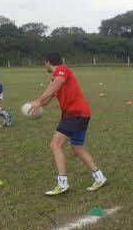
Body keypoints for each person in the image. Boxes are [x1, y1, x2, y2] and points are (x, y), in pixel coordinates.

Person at [29, 53, 107, 195]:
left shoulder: (62, 70)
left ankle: (62, 184)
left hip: (75, 114)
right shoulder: (55, 78)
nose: (44, 66)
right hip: (80, 114)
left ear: (48, 62)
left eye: (44, 63)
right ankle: (100, 177)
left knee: (55, 144)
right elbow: (50, 96)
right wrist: (36, 105)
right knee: (77, 147)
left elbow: (57, 83)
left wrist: (39, 101)